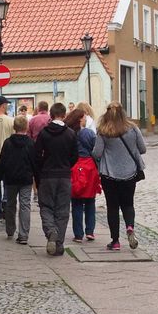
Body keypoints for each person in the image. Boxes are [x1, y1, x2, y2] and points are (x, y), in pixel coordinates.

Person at [92, 101, 146, 251]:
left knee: (113, 207)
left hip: (109, 175)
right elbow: (142, 149)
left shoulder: (103, 130)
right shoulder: (133, 128)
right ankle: (129, 226)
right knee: (128, 204)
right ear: (123, 112)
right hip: (130, 174)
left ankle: (115, 241)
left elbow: (97, 153)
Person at [34, 102, 79, 256]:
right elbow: (75, 156)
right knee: (63, 210)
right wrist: (66, 165)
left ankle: (51, 231)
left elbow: (36, 155)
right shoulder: (70, 134)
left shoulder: (44, 133)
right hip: (64, 176)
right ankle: (58, 243)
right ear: (64, 115)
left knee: (46, 206)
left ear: (51, 115)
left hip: (47, 175)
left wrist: (40, 170)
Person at [0, 115, 37, 244]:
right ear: (26, 127)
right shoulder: (31, 143)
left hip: (11, 178)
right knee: (25, 205)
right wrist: (37, 177)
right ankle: (24, 234)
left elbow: (2, 161)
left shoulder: (8, 143)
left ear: (14, 127)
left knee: (10, 204)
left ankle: (10, 229)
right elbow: (35, 162)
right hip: (26, 179)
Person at [65, 109, 101, 242]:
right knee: (90, 200)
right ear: (80, 119)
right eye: (85, 117)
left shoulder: (69, 133)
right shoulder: (88, 133)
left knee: (76, 202)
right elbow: (96, 150)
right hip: (89, 168)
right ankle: (90, 231)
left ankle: (78, 234)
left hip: (75, 167)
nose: (86, 119)